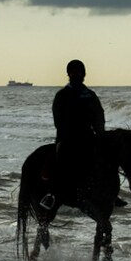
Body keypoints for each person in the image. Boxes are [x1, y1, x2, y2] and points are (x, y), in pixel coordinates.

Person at [50, 58, 113, 208]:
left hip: (88, 137)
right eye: (74, 73)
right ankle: (52, 194)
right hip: (67, 138)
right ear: (69, 74)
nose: (77, 75)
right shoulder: (62, 95)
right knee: (61, 160)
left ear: (84, 74)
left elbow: (99, 116)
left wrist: (100, 135)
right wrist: (71, 135)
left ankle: (111, 193)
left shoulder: (90, 95)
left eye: (80, 73)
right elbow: (58, 121)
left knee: (106, 159)